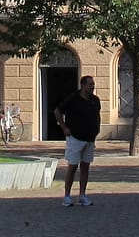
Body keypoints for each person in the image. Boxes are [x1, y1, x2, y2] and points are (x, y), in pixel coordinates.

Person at [54, 74, 101, 207]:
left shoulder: (95, 100)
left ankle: (82, 195)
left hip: (89, 138)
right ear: (83, 85)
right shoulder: (73, 99)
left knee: (85, 166)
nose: (92, 86)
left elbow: (97, 115)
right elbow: (57, 111)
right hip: (75, 137)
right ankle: (67, 196)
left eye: (93, 84)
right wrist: (64, 127)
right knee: (73, 166)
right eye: (90, 84)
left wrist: (96, 130)